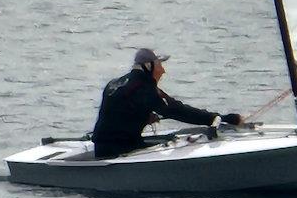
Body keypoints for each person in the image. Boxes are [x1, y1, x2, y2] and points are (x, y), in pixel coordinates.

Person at [91, 48, 243, 158]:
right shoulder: (144, 89)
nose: (163, 71)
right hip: (119, 150)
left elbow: (118, 112)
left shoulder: (116, 83)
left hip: (103, 146)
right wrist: (220, 118)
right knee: (178, 143)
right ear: (148, 67)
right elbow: (177, 110)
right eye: (159, 65)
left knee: (170, 139)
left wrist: (144, 116)